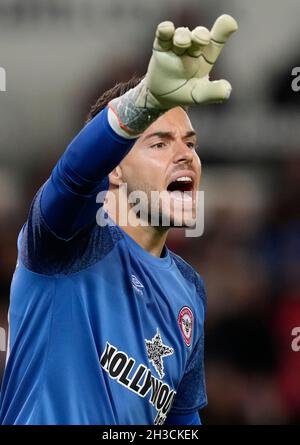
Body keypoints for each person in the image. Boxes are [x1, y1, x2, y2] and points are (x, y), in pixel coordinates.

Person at [0, 15, 237, 425]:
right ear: (114, 169)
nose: (185, 155)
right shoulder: (67, 242)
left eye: (190, 143)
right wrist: (146, 99)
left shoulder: (189, 290)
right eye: (159, 142)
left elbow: (182, 422)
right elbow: (73, 176)